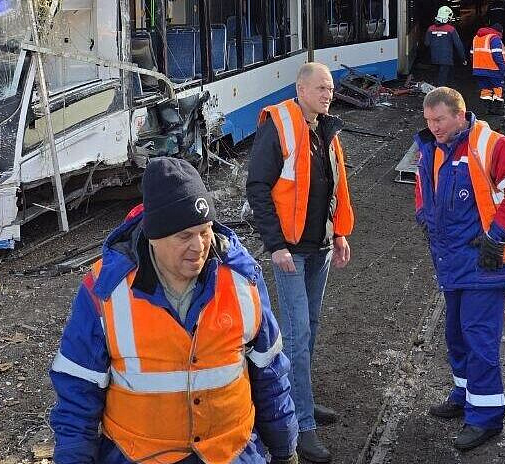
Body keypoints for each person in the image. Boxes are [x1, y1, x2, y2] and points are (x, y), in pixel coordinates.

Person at [50, 157, 298, 464]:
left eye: (205, 231)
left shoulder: (242, 280)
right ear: (154, 237)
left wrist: (285, 448)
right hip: (140, 456)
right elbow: (77, 394)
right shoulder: (104, 291)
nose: (199, 246)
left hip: (232, 453)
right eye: (184, 236)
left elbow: (270, 373)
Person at [413, 87, 505, 452]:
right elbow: (424, 189)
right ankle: (465, 395)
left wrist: (496, 238)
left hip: (484, 264)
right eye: (428, 121)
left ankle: (485, 416)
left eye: (439, 120)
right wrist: (424, 219)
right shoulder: (432, 148)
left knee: (478, 338)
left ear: (459, 115)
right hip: (452, 262)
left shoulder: (492, 146)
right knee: (456, 334)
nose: (433, 127)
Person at [245, 61, 354, 464]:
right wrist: (275, 245)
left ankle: (301, 397)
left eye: (331, 89)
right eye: (322, 88)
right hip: (290, 251)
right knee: (295, 333)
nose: (329, 94)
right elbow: (258, 187)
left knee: (311, 327)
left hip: (319, 247)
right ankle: (300, 425)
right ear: (301, 89)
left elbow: (333, 188)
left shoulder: (326, 128)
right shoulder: (279, 126)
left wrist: (338, 233)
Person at [424, 6, 467, 87]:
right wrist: (463, 58)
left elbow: (426, 43)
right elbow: (459, 46)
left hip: (434, 59)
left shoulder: (430, 29)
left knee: (436, 78)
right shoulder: (451, 29)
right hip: (447, 60)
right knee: (443, 81)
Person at [471, 21, 505, 114]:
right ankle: (497, 110)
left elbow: (472, 54)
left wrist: (477, 66)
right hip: (493, 70)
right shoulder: (494, 38)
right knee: (498, 89)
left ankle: (486, 110)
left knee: (485, 90)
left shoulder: (476, 38)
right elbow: (497, 55)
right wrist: (503, 69)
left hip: (479, 70)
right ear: (500, 31)